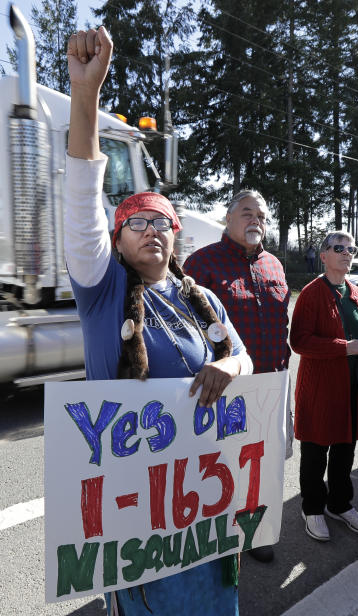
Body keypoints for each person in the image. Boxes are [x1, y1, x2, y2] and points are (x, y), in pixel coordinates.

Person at [63, 27, 253, 616]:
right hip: (134, 494)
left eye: (162, 222)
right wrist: (85, 97)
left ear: (176, 237)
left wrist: (226, 364)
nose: (152, 230)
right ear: (115, 242)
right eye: (136, 223)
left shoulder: (201, 298)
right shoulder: (104, 290)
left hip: (201, 490)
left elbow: (244, 358)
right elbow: (80, 201)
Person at [184, 189, 290, 562]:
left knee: (261, 463)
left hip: (272, 385)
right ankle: (212, 536)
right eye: (247, 213)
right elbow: (185, 328)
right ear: (228, 219)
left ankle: (255, 532)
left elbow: (282, 323)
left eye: (261, 215)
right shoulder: (201, 264)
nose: (256, 221)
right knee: (220, 465)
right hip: (225, 388)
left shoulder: (275, 265)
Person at [289, 231, 358, 541]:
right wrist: (346, 347)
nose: (346, 253)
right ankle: (313, 508)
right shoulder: (311, 293)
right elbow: (300, 341)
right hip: (321, 388)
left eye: (351, 249)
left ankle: (340, 504)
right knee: (316, 450)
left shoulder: (357, 293)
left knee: (346, 448)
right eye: (338, 248)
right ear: (324, 256)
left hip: (353, 387)